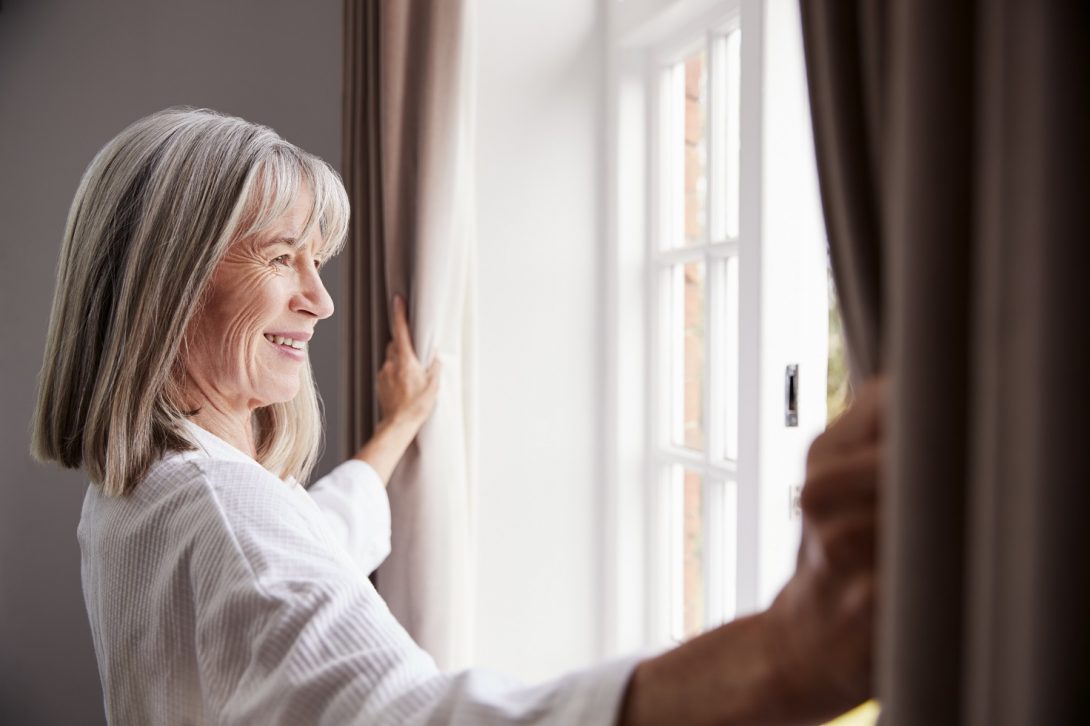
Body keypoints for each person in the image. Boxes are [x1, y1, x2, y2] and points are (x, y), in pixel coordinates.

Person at [32, 108, 883, 725]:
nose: (322, 299)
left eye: (318, 261)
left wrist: (398, 424)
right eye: (282, 257)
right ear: (168, 284)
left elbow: (312, 539)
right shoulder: (224, 519)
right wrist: (792, 649)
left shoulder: (139, 497)